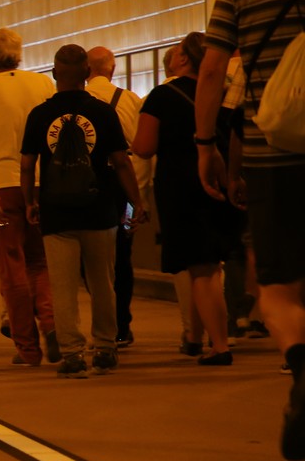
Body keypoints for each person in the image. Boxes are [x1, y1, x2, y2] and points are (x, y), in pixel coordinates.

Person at [197, 0, 305, 459]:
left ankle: (302, 368)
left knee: (279, 285)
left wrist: (205, 144)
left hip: (272, 156)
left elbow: (214, 69)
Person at [21, 45, 147, 378]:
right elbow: (121, 162)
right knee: (103, 282)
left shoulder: (40, 115)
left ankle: (72, 354)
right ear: (87, 74)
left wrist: (30, 202)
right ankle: (105, 348)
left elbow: (27, 165)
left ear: (54, 73)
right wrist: (137, 201)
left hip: (56, 212)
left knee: (62, 286)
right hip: (100, 210)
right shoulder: (103, 112)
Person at [132, 32, 237, 365]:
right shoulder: (223, 93)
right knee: (206, 265)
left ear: (183, 58)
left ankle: (220, 346)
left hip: (180, 186)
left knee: (202, 269)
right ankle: (194, 338)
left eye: (176, 51)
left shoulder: (163, 95)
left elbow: (144, 147)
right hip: (221, 182)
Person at [0, 28, 57, 366]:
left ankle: (28, 347)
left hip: (2, 186)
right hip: (41, 182)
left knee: (12, 266)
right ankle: (51, 325)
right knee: (41, 261)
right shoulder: (42, 84)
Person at [86, 46, 147, 347]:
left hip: (90, 188)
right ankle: (122, 325)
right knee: (123, 256)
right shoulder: (131, 100)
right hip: (124, 189)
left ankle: (104, 321)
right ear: (112, 69)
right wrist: (138, 199)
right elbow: (139, 154)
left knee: (91, 258)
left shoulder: (80, 101)